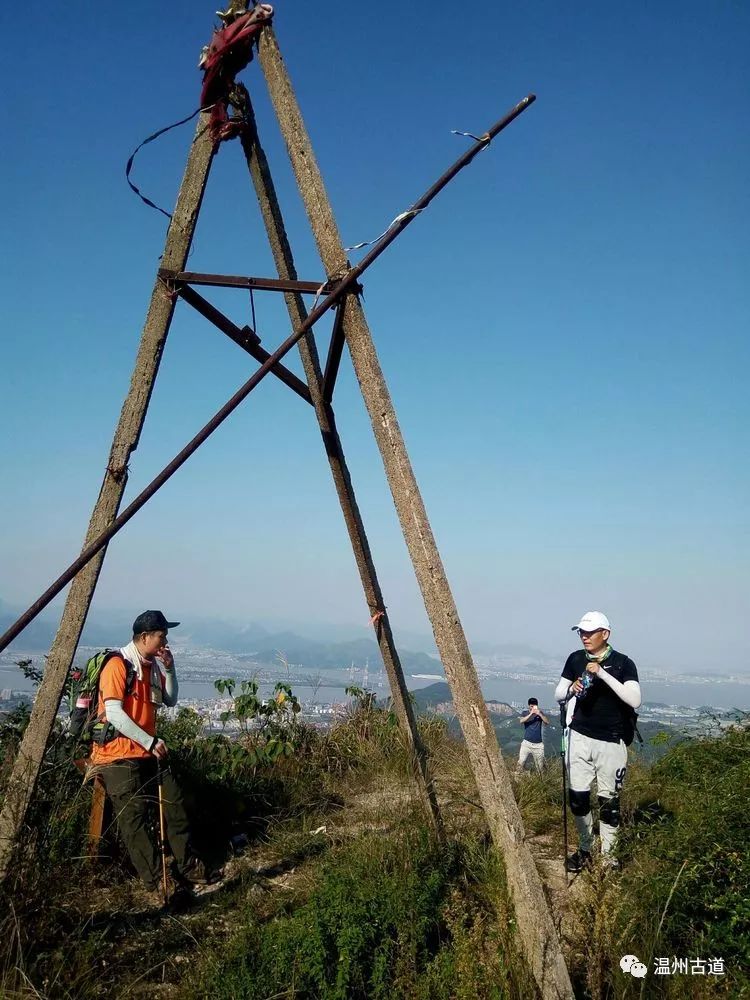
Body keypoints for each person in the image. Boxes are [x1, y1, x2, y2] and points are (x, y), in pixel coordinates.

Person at [90, 610, 219, 898]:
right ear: (145, 636)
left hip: (146, 750)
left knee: (175, 801)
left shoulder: (150, 668)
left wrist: (169, 668)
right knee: (133, 816)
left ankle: (189, 866)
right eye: (161, 636)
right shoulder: (118, 665)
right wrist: (149, 742)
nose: (165, 642)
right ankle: (159, 882)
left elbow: (170, 699)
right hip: (116, 753)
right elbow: (113, 713)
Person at [555, 611, 642, 872]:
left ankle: (609, 858)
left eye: (590, 632)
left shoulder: (623, 663)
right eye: (581, 632)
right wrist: (571, 689)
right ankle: (586, 849)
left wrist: (602, 674)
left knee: (609, 803)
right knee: (578, 798)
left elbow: (634, 699)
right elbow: (559, 693)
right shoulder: (575, 659)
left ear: (605, 634)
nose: (584, 636)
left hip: (611, 741)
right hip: (579, 736)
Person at [516, 697, 549, 773]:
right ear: (529, 706)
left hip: (538, 745)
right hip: (526, 743)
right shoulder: (525, 713)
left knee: (540, 767)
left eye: (534, 706)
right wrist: (531, 714)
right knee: (521, 762)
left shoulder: (540, 713)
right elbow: (521, 721)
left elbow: (547, 722)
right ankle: (517, 776)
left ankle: (540, 778)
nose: (533, 707)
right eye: (531, 706)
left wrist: (539, 714)